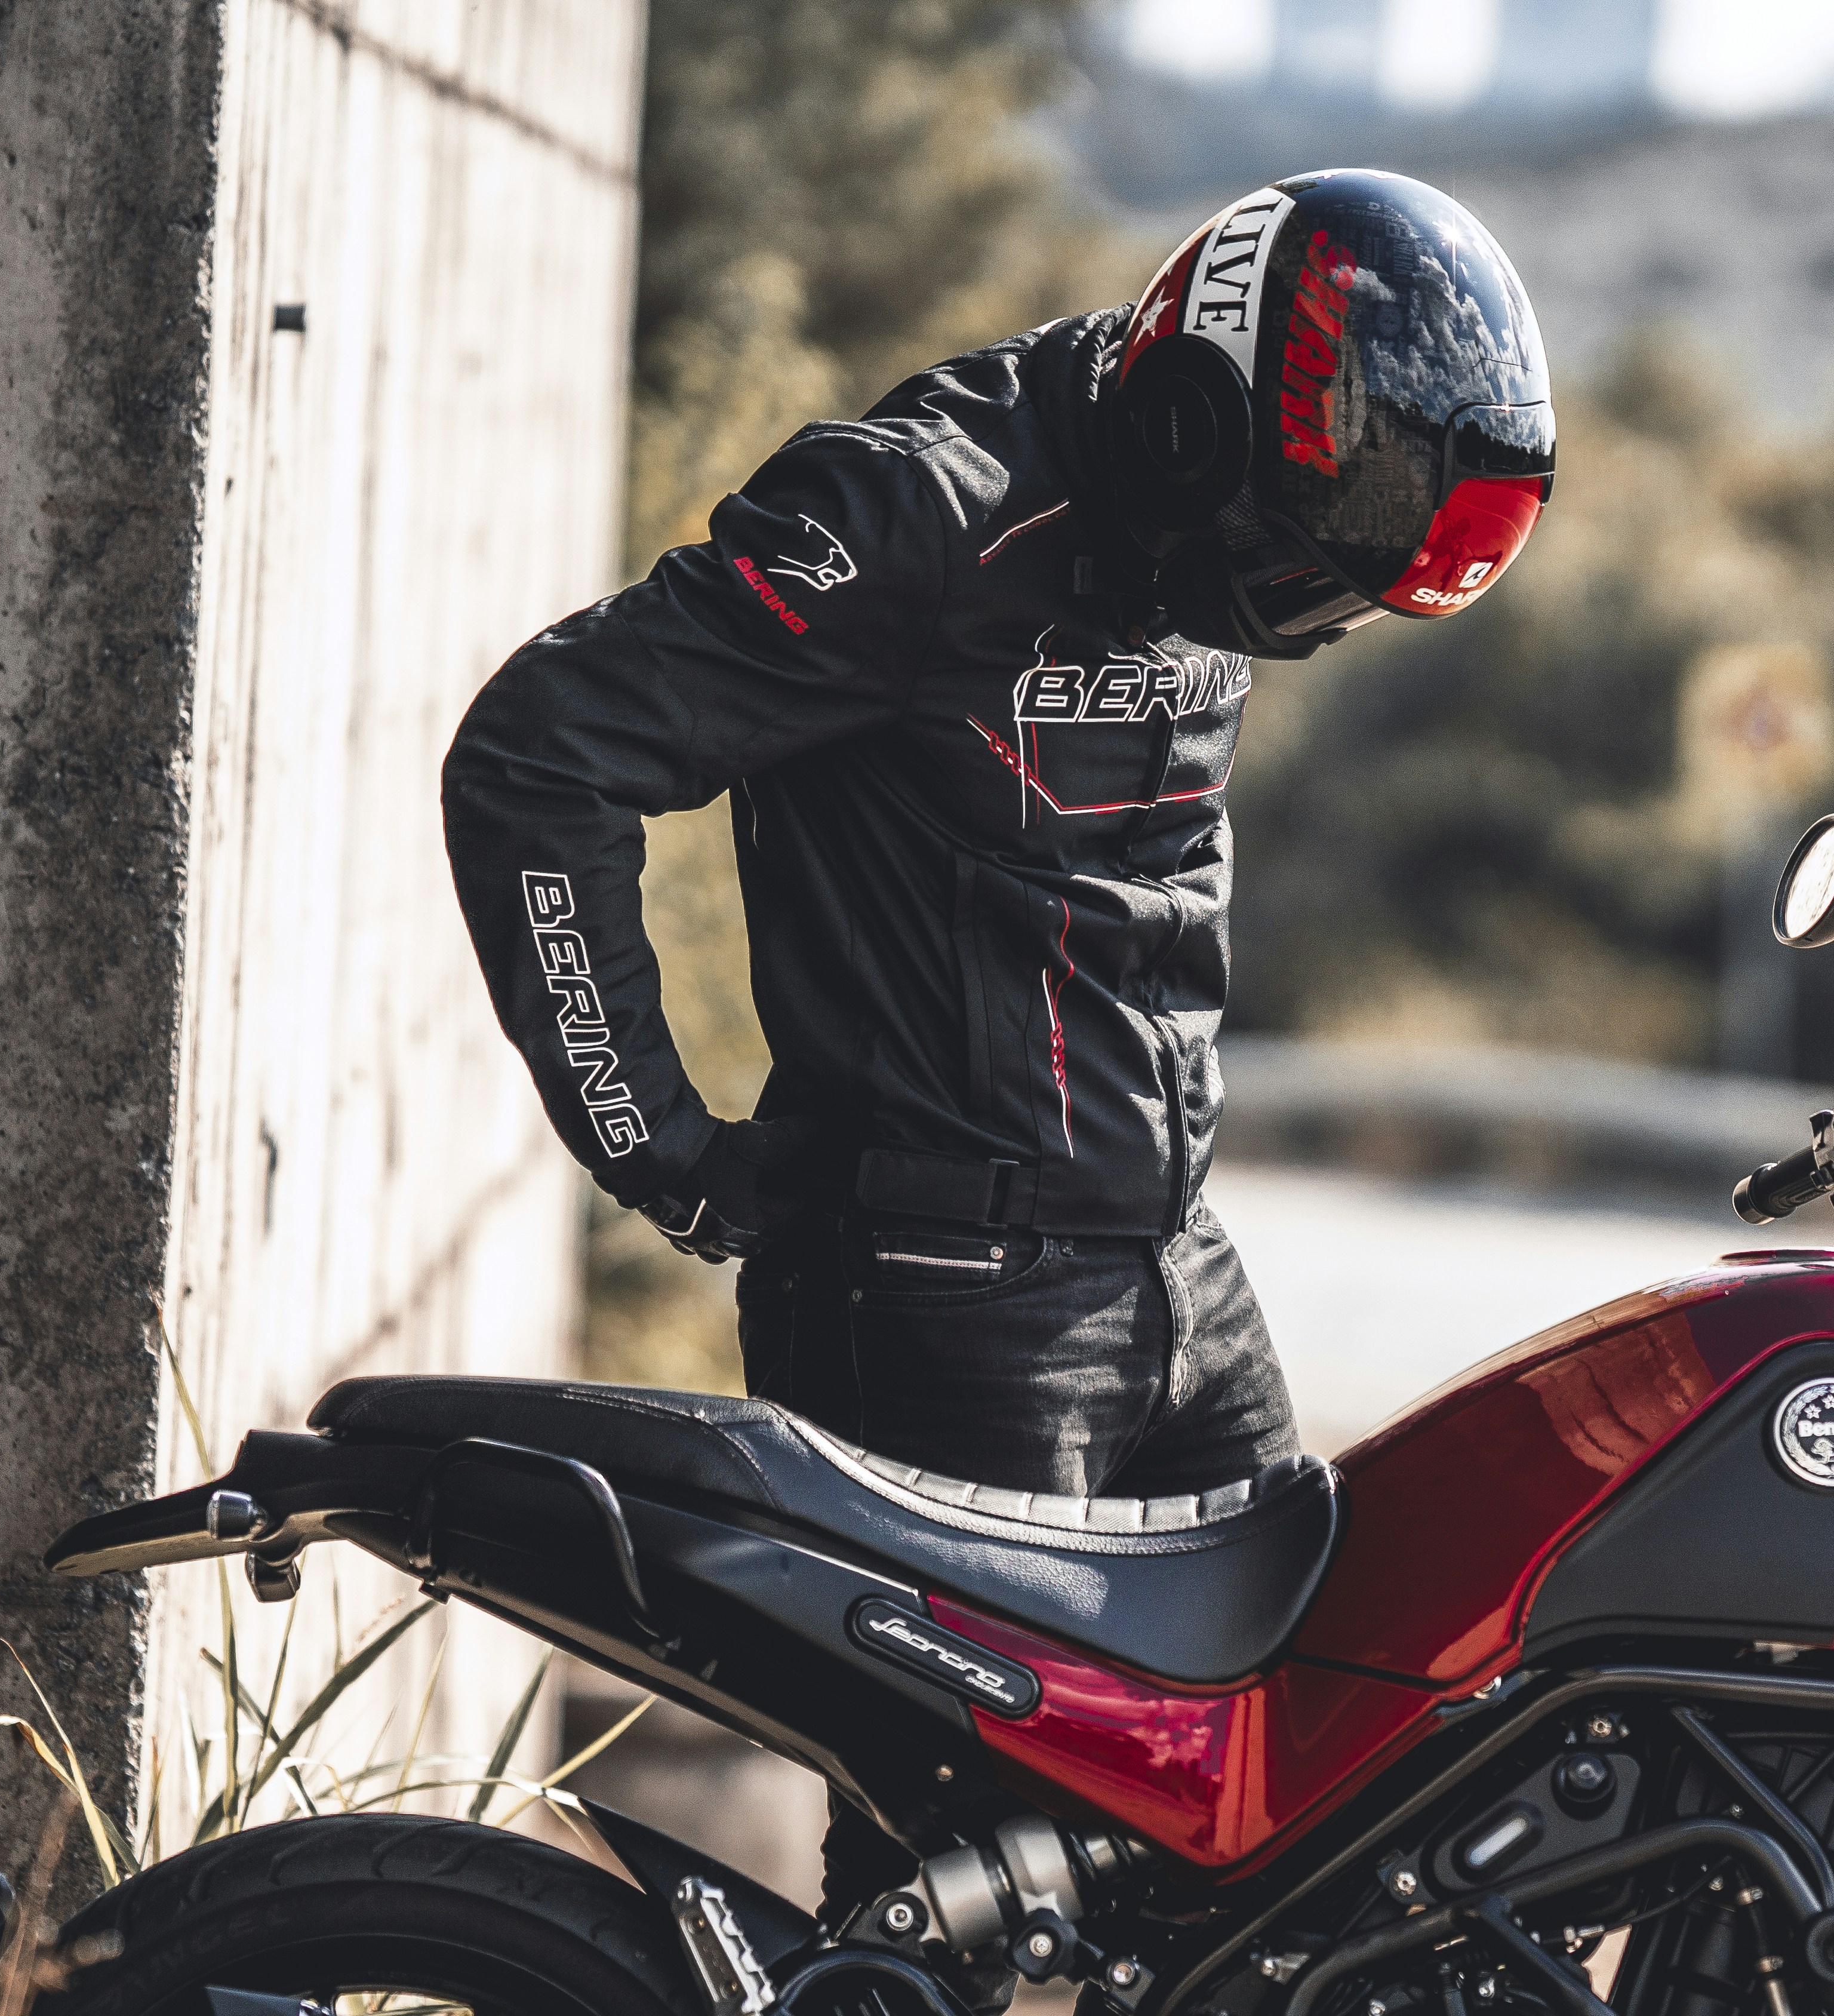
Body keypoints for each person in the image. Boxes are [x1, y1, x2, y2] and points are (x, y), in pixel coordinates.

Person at [438, 168, 1551, 1905]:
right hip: (945, 1304)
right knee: (951, 1905)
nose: (1282, 623)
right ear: (1189, 424)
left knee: (1303, 1826)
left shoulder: (1242, 501)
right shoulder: (914, 518)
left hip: (1178, 1267)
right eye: (1276, 575)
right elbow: (539, 751)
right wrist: (656, 1145)